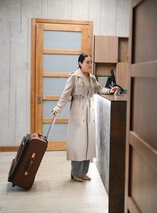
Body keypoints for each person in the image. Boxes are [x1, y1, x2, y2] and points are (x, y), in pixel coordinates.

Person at [51, 53, 120, 182]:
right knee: (78, 143)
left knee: (88, 141)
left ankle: (83, 172)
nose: (90, 64)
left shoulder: (92, 78)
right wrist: (57, 108)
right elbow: (65, 95)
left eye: (90, 62)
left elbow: (99, 89)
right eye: (87, 62)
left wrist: (110, 90)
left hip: (89, 110)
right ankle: (75, 172)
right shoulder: (74, 77)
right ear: (80, 63)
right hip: (78, 110)